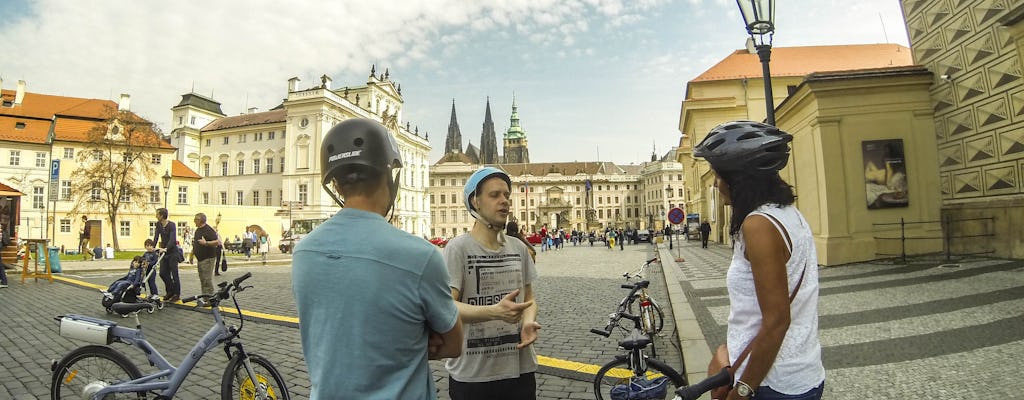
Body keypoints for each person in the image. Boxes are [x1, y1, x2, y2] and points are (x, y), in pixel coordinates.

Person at [292, 118, 462, 399]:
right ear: (390, 177)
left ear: (334, 184)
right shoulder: (421, 255)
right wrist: (415, 340)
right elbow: (454, 344)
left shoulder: (303, 252)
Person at [694, 121, 825, 400]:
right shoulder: (788, 214)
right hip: (798, 371)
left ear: (740, 179)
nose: (716, 184)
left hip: (772, 384)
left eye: (719, 176)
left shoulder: (759, 225)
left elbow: (777, 319)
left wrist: (743, 389)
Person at [444, 167, 540, 400]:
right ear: (475, 202)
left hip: (520, 370)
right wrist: (494, 312)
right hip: (473, 375)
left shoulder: (519, 249)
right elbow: (446, 306)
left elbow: (529, 300)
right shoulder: (458, 249)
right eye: (495, 195)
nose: (504, 201)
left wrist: (528, 322)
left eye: (506, 195)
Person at [153, 208, 180, 302]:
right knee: (163, 273)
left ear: (162, 215)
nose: (156, 216)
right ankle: (170, 290)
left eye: (157, 214)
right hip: (163, 252)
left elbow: (173, 239)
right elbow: (156, 236)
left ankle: (176, 294)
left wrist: (166, 248)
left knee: (174, 274)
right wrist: (152, 247)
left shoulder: (172, 225)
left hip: (172, 252)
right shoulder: (158, 225)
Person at [191, 213, 221, 297]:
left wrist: (206, 243)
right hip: (200, 258)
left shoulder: (208, 230)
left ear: (200, 221)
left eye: (196, 219)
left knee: (207, 279)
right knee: (202, 279)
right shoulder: (197, 231)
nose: (194, 221)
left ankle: (210, 298)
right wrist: (192, 254)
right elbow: (196, 243)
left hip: (208, 258)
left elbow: (217, 242)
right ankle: (205, 296)